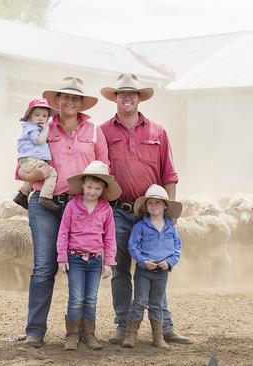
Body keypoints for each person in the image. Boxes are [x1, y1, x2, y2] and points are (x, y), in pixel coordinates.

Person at [99, 73, 193, 344]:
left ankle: (164, 326)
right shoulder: (103, 131)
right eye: (122, 93)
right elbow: (98, 173)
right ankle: (123, 324)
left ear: (140, 98)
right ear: (114, 98)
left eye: (133, 93)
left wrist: (169, 214)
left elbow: (169, 173)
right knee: (119, 269)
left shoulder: (158, 131)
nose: (127, 97)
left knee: (156, 267)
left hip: (151, 212)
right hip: (118, 210)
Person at [21, 76, 109, 348]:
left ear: (82, 103)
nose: (69, 101)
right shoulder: (42, 128)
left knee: (84, 265)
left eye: (74, 98)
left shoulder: (94, 131)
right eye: (64, 97)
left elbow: (104, 166)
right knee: (44, 267)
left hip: (81, 206)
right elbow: (22, 161)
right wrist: (28, 172)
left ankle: (80, 331)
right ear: (56, 101)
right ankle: (35, 331)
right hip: (45, 203)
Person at [56, 160, 121, 351]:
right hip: (75, 257)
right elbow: (63, 232)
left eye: (97, 188)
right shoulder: (72, 206)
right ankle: (72, 335)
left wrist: (109, 262)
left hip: (95, 260)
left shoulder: (106, 210)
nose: (92, 191)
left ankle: (89, 334)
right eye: (89, 187)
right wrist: (62, 257)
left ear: (103, 190)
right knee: (76, 297)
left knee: (91, 298)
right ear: (83, 186)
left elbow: (110, 237)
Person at [122, 184, 183, 350]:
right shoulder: (140, 226)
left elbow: (177, 248)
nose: (154, 205)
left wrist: (169, 262)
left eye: (158, 202)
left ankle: (158, 337)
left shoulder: (171, 228)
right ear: (146, 206)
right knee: (140, 301)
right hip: (144, 271)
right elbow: (132, 246)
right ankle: (130, 335)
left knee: (156, 304)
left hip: (162, 272)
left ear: (165, 205)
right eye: (150, 203)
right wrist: (142, 262)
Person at [13, 98, 60, 212]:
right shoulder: (32, 128)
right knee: (51, 173)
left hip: (26, 160)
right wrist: (46, 129)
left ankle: (22, 194)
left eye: (44, 116)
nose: (41, 118)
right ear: (30, 116)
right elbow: (39, 141)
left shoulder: (31, 127)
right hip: (30, 159)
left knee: (35, 175)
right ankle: (45, 197)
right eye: (37, 115)